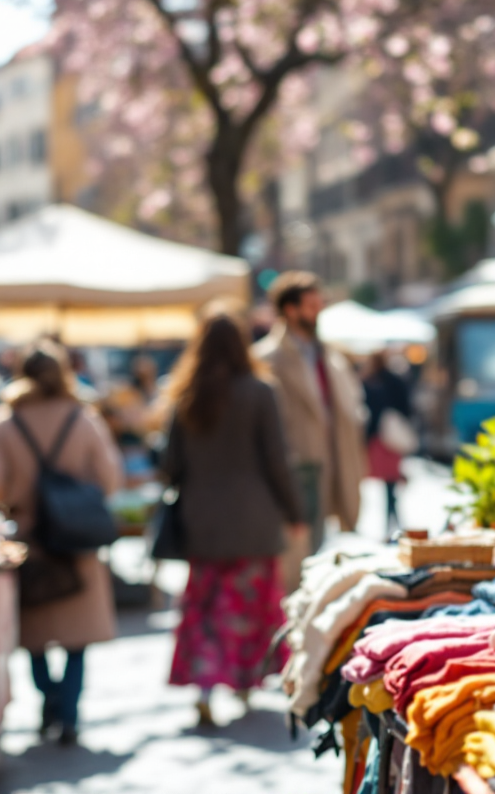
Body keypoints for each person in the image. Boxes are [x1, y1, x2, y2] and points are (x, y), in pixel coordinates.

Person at [163, 308, 305, 728]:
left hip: (201, 521)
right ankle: (246, 684)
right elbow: (277, 460)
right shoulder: (260, 391)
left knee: (206, 609)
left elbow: (170, 465)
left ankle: (206, 689)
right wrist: (295, 512)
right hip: (254, 519)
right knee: (249, 608)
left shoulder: (185, 394)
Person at [0, 341, 123, 746]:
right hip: (77, 537)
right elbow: (109, 478)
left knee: (36, 634)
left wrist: (20, 499)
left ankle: (50, 701)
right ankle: (69, 712)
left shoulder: (5, 421)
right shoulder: (83, 417)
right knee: (78, 635)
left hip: (30, 538)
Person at [253, 271, 366, 555]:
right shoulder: (266, 359)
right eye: (311, 307)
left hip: (334, 465)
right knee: (295, 556)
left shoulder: (330, 356)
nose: (318, 314)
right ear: (290, 310)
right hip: (296, 473)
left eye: (320, 306)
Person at [362, 351, 413, 537]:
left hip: (381, 437)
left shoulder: (370, 381)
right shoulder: (394, 381)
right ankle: (393, 521)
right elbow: (407, 407)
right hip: (391, 436)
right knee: (390, 481)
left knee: (388, 482)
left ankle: (392, 522)